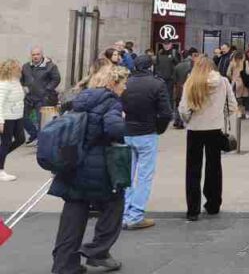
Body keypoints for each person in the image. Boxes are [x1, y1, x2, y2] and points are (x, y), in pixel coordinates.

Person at [50, 67, 129, 274]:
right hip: (97, 168)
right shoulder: (111, 102)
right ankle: (97, 251)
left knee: (73, 214)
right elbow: (114, 129)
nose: (125, 87)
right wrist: (124, 123)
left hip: (73, 164)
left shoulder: (80, 98)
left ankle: (64, 265)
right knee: (115, 204)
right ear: (113, 83)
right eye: (123, 83)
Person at [178, 55, 238, 221]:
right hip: (214, 129)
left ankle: (192, 210)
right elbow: (232, 106)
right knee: (214, 168)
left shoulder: (191, 82)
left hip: (195, 129)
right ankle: (213, 204)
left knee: (192, 170)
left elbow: (184, 109)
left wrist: (188, 119)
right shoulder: (223, 82)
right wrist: (219, 114)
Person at [120, 54, 173, 230]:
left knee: (126, 175)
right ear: (151, 67)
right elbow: (166, 112)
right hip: (147, 132)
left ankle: (124, 214)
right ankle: (136, 215)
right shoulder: (157, 84)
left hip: (127, 131)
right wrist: (159, 128)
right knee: (144, 176)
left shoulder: (125, 82)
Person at [20, 46, 61, 145]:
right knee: (21, 116)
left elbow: (56, 79)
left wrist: (47, 89)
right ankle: (33, 134)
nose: (35, 56)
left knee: (40, 120)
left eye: (37, 54)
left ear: (42, 54)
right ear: (31, 56)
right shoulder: (25, 66)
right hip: (29, 97)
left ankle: (40, 140)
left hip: (43, 98)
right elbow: (21, 79)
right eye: (33, 54)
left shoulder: (50, 66)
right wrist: (23, 86)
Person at [0, 59, 27, 182]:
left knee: (20, 139)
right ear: (11, 69)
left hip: (17, 116)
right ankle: (0, 170)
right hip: (7, 118)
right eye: (17, 68)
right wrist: (1, 121)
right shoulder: (4, 84)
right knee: (5, 143)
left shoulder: (16, 81)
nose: (20, 69)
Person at [172, 49, 198, 129]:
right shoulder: (194, 65)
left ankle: (177, 120)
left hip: (179, 87)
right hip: (190, 87)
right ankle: (185, 121)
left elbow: (174, 79)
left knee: (178, 103)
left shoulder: (177, 66)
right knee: (188, 104)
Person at [228, 50, 249, 119]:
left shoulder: (232, 63)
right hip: (243, 82)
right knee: (246, 97)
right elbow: (248, 72)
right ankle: (247, 113)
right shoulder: (245, 62)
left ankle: (238, 112)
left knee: (237, 98)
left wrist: (232, 78)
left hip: (235, 83)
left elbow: (228, 73)